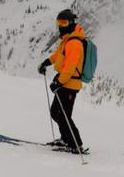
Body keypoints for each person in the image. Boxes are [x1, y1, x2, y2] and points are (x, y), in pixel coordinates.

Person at [38, 9, 87, 154]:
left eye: (63, 22)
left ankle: (75, 144)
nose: (60, 26)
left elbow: (70, 66)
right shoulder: (67, 40)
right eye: (58, 23)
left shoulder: (74, 43)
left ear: (70, 23)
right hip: (65, 83)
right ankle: (66, 139)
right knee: (56, 112)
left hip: (69, 85)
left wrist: (58, 82)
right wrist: (46, 62)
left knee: (64, 115)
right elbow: (58, 55)